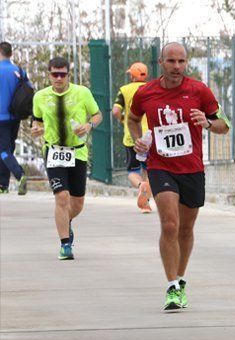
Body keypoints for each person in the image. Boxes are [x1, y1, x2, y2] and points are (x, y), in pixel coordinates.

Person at [129, 42, 229, 310]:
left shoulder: (199, 91)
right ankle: (172, 286)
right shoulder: (146, 93)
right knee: (170, 224)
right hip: (161, 166)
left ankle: (181, 278)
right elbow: (132, 118)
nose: (176, 67)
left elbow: (224, 125)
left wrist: (207, 122)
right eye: (171, 61)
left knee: (185, 229)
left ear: (187, 63)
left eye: (181, 62)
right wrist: (139, 140)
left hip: (192, 168)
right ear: (160, 63)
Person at [30, 57, 102, 260]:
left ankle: (64, 222)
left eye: (63, 74)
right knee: (62, 197)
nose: (59, 78)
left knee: (77, 203)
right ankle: (65, 245)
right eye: (55, 74)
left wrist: (88, 126)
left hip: (77, 151)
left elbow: (97, 115)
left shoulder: (82, 93)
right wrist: (36, 129)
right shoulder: (40, 96)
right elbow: (36, 120)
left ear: (68, 74)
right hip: (54, 152)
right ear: (49, 74)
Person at [112, 62, 152, 213]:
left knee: (133, 171)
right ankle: (146, 205)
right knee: (149, 171)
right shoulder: (151, 88)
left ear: (132, 75)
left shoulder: (124, 90)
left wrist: (123, 119)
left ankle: (140, 185)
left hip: (132, 136)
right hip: (151, 136)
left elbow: (116, 111)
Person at [0, 42, 29, 195]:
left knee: (3, 151)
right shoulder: (19, 71)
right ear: (11, 54)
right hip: (15, 117)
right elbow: (29, 89)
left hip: (0, 118)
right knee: (8, 149)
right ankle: (3, 185)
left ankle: (20, 175)